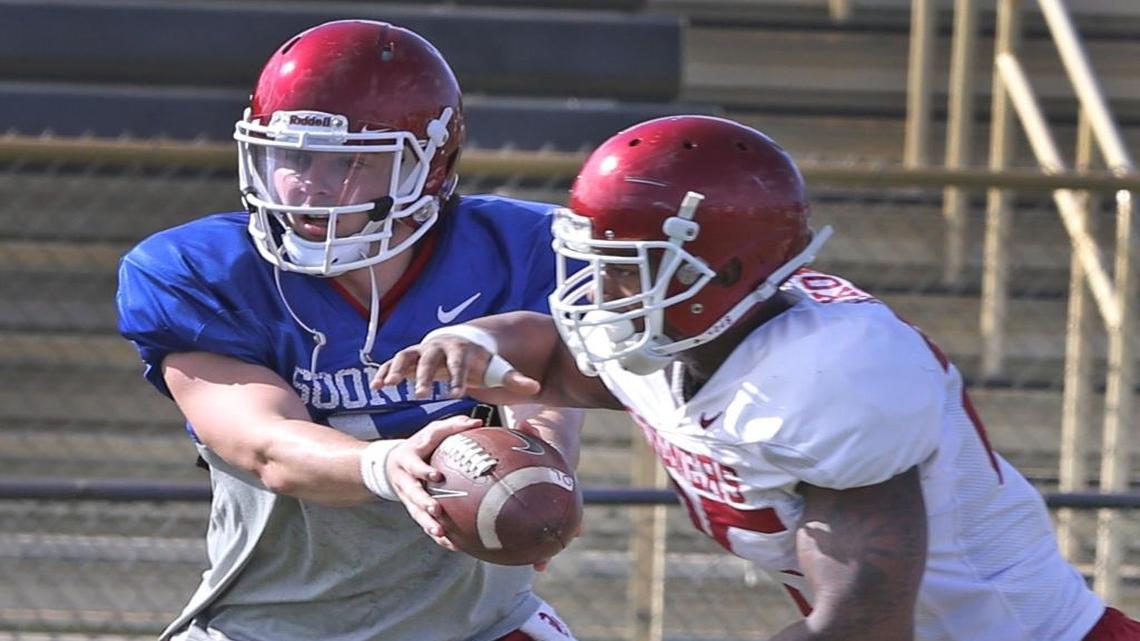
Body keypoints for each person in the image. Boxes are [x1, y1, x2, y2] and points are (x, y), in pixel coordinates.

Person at [376, 114, 1140, 641]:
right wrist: (472, 338)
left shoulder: (827, 376)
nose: (601, 291)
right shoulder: (683, 335)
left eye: (627, 268)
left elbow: (862, 623)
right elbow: (552, 361)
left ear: (729, 269)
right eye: (598, 262)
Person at [116, 19, 583, 641]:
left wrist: (539, 479)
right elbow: (265, 444)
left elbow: (543, 405)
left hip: (481, 625)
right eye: (295, 155)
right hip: (272, 626)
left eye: (351, 162)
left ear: (431, 166)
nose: (308, 182)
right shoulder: (199, 270)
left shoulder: (517, 251)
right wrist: (388, 465)